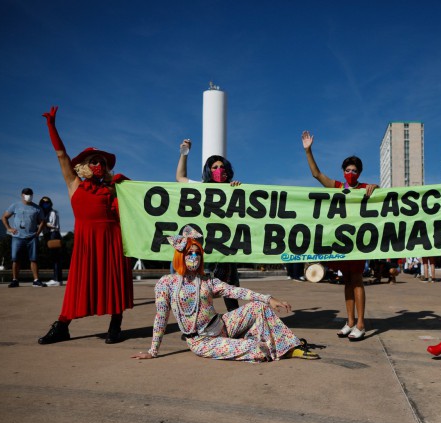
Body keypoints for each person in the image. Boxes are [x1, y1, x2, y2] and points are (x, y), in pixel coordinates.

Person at [131, 226, 318, 361]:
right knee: (258, 349)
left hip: (223, 325)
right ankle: (267, 342)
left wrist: (269, 299)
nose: (194, 258)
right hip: (202, 341)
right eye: (189, 253)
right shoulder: (166, 283)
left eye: (198, 254)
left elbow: (236, 291)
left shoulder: (207, 280)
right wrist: (152, 351)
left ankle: (290, 346)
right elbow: (160, 318)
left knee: (259, 308)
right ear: (180, 256)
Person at [37, 106, 134, 345]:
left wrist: (127, 184)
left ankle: (115, 325)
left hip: (113, 239)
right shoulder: (75, 184)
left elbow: (141, 204)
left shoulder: (113, 188)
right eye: (94, 161)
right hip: (86, 242)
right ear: (83, 165)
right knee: (79, 285)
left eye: (102, 162)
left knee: (114, 282)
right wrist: (52, 126)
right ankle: (62, 325)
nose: (98, 165)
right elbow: (61, 155)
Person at [302, 130, 378, 341]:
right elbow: (317, 175)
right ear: (343, 171)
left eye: (354, 170)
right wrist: (309, 151)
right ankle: (350, 321)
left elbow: (384, 198)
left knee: (357, 280)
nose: (350, 173)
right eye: (347, 169)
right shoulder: (337, 187)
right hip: (342, 242)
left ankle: (361, 324)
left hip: (359, 242)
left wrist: (376, 187)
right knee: (347, 282)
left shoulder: (365, 188)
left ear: (360, 173)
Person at [175, 138, 243, 311]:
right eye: (215, 167)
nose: (219, 170)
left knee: (230, 289)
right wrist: (184, 153)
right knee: (199, 288)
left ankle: (236, 324)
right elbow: (180, 178)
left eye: (222, 167)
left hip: (225, 247)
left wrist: (238, 190)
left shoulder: (234, 188)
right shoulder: (200, 188)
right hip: (205, 247)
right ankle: (196, 326)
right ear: (208, 171)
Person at [1, 188, 47, 287]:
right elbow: (4, 217)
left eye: (30, 194)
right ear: (22, 195)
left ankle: (36, 280)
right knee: (15, 259)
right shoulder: (15, 205)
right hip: (17, 237)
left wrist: (38, 233)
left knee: (34, 259)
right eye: (26, 194)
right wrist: (9, 228)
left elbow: (43, 221)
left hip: (32, 237)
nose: (28, 195)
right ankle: (15, 280)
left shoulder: (37, 208)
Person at [39, 196, 63, 286]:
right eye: (43, 202)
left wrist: (42, 222)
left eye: (47, 202)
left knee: (55, 258)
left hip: (53, 234)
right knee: (54, 258)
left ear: (50, 203)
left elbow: (52, 225)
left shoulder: (52, 212)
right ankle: (58, 279)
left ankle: (56, 279)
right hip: (49, 235)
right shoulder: (45, 213)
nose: (45, 204)